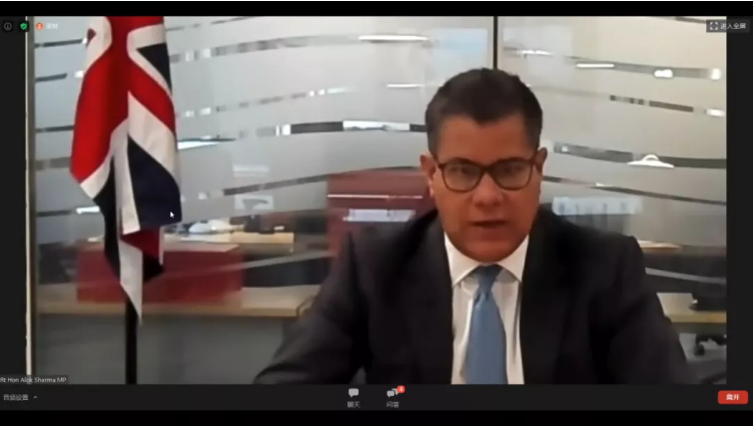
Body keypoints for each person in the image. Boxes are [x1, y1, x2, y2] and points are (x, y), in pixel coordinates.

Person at [254, 68, 692, 384]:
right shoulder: (374, 266)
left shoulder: (605, 268)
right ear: (431, 174)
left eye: (510, 169)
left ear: (538, 169)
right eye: (463, 171)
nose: (487, 196)